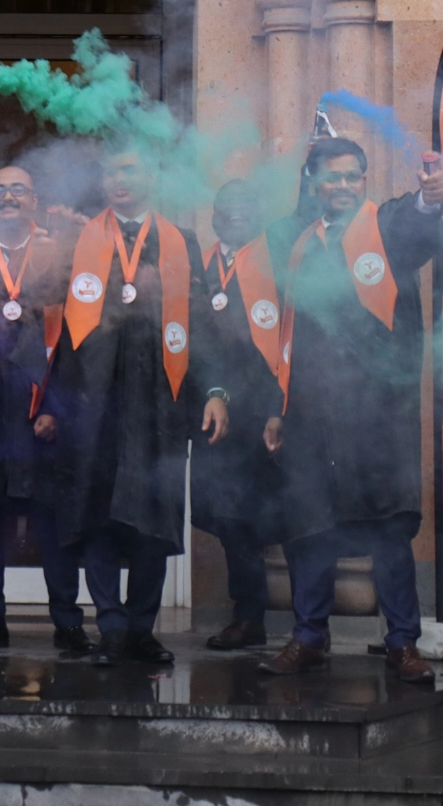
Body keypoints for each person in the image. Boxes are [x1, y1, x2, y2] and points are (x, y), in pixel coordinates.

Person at [258, 137, 443, 683]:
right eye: (332, 177)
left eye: (352, 176)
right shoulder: (298, 244)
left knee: (387, 530)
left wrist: (431, 198)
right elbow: (283, 335)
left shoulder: (384, 227)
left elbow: (417, 220)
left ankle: (402, 643)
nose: (343, 186)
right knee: (310, 526)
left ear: (364, 179)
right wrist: (277, 409)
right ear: (313, 183)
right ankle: (308, 637)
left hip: (378, 414)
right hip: (311, 412)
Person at [60, 142, 229, 667]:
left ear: (152, 176)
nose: (120, 178)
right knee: (98, 515)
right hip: (97, 399)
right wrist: (52, 401)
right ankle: (110, 627)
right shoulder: (82, 239)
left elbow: (202, 324)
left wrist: (215, 391)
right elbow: (59, 327)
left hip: (160, 397)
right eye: (111, 169)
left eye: (130, 168)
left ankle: (141, 629)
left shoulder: (180, 241)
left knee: (153, 516)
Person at [0, 163, 91, 655]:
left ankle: (67, 622)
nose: (9, 198)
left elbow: (75, 340)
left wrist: (57, 406)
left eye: (19, 190)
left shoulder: (58, 254)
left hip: (39, 405)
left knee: (51, 519)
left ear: (34, 201)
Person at [192, 180, 284, 650]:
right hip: (215, 408)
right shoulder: (200, 264)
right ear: (214, 215)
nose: (237, 213)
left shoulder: (278, 262)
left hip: (269, 409)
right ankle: (248, 616)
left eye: (247, 205)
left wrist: (278, 407)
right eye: (228, 206)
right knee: (227, 515)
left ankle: (307, 626)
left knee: (283, 515)